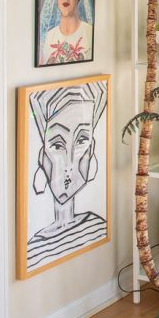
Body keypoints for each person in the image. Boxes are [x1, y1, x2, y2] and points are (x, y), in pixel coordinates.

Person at [27, 80, 108, 271]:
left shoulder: (97, 226)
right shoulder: (34, 250)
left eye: (81, 140)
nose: (69, 163)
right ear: (42, 155)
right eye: (57, 145)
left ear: (92, 148)